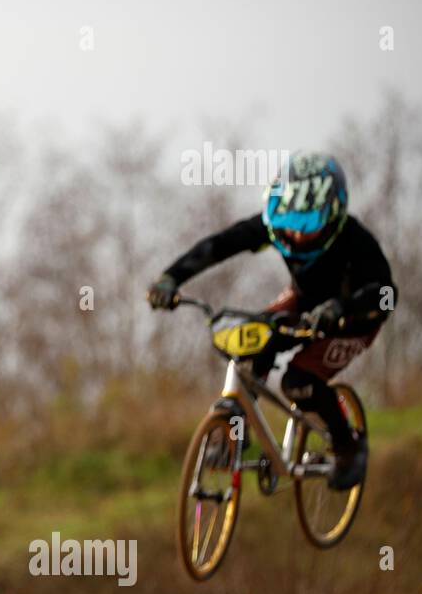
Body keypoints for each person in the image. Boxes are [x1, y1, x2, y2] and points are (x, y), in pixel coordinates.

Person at [146, 152, 395, 490]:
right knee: (254, 343)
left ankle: (348, 448)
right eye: (288, 223)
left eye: (306, 226)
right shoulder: (274, 228)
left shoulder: (356, 241)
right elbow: (220, 245)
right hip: (303, 300)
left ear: (333, 216)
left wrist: (341, 309)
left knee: (298, 383)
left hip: (354, 319)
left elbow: (386, 296)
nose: (294, 234)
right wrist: (171, 278)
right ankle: (237, 427)